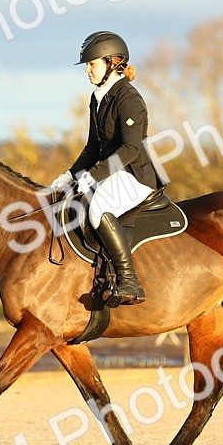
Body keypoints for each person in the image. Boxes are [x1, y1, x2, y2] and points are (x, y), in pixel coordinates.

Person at [50, 31, 164, 305]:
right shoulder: (98, 97)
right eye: (88, 65)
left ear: (113, 63)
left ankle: (129, 281)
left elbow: (131, 149)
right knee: (70, 200)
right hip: (112, 173)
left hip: (136, 175)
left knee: (98, 207)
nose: (88, 70)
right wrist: (71, 175)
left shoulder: (129, 99)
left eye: (93, 64)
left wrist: (93, 176)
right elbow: (92, 147)